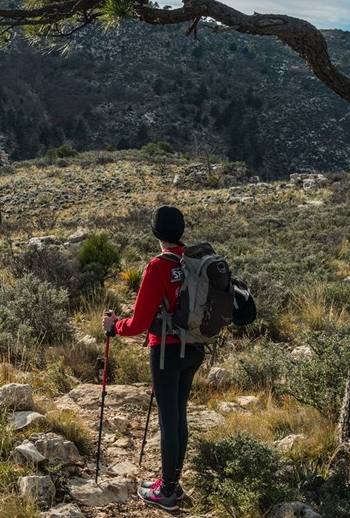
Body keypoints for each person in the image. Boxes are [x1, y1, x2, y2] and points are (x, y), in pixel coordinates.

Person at [101, 205, 202, 511]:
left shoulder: (158, 266)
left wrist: (114, 328)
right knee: (179, 415)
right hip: (195, 348)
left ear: (156, 233)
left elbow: (139, 324)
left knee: (168, 420)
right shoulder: (194, 261)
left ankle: (167, 491)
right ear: (180, 231)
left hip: (167, 352)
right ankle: (171, 482)